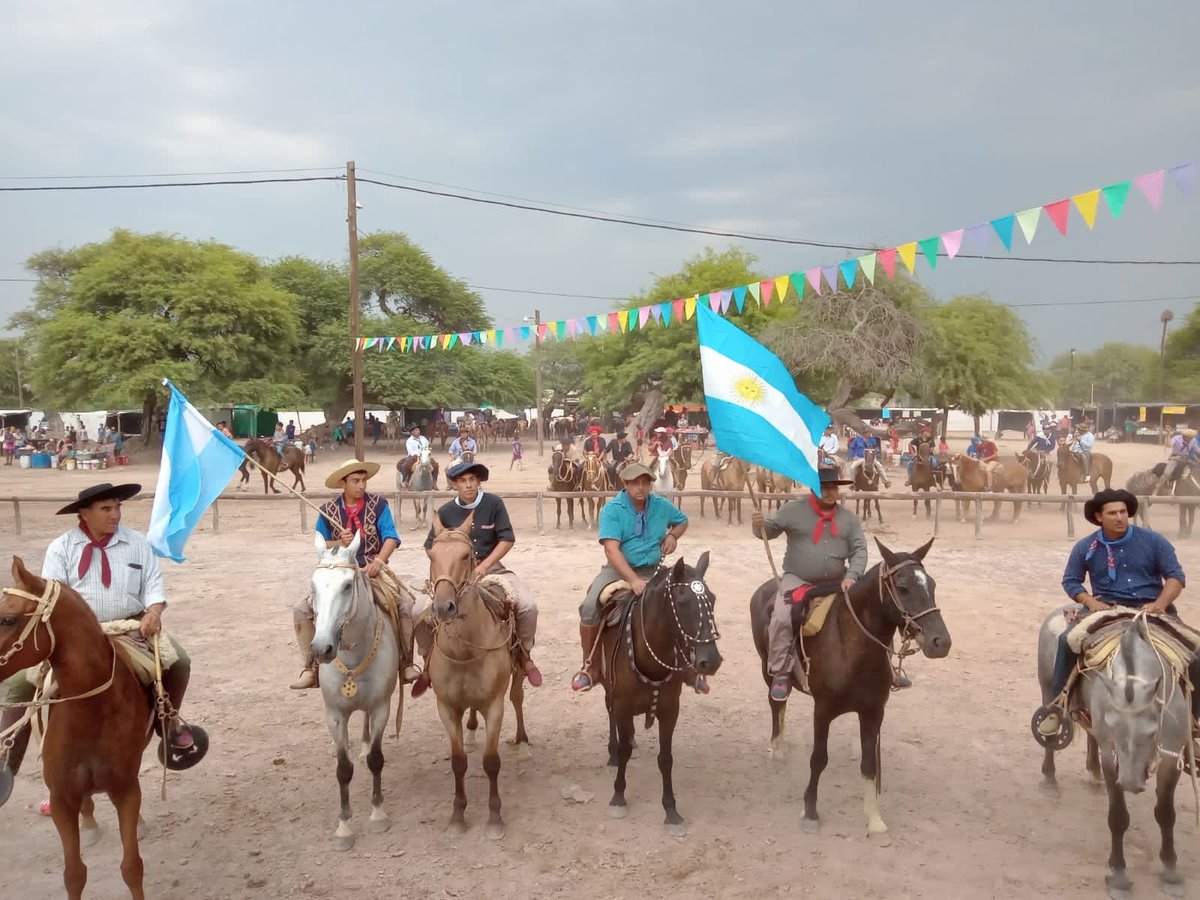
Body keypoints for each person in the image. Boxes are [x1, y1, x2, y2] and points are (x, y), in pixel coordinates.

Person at [0, 483, 205, 804]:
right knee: (20, 684)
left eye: (117, 507)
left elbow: (153, 584)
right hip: (75, 635)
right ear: (85, 513)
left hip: (130, 626)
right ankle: (6, 760)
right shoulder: (62, 548)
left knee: (179, 661)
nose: (115, 514)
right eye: (106, 509)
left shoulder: (138, 543)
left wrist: (154, 610)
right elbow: (51, 597)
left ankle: (168, 723)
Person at [1037, 489, 1200, 741]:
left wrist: (1160, 603)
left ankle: (1192, 721)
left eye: (1123, 512)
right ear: (1099, 517)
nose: (1120, 517)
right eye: (1113, 513)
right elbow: (1071, 581)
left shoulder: (1154, 541)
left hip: (1152, 611)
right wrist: (1090, 601)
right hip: (1107, 610)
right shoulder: (1086, 547)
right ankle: (1058, 706)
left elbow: (1175, 577)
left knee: (1197, 651)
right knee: (1067, 640)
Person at [413, 461, 541, 696]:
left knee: (527, 606)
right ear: (454, 484)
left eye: (472, 479)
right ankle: (427, 662)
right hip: (455, 576)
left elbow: (507, 539)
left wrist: (484, 566)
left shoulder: (494, 504)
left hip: (492, 570)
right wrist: (444, 571)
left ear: (479, 481)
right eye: (462, 481)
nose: (468, 484)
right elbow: (430, 547)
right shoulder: (445, 512)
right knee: (418, 613)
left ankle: (524, 655)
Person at [289, 459, 419, 689]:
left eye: (364, 480)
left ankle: (406, 662)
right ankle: (310, 667)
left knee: (406, 603)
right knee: (301, 609)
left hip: (372, 567)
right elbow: (320, 544)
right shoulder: (328, 510)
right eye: (355, 481)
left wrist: (379, 560)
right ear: (343, 483)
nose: (361, 486)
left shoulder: (379, 505)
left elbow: (391, 536)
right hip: (338, 570)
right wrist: (338, 542)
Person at [752, 468, 874, 700]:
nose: (830, 492)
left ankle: (884, 667)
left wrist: (853, 575)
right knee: (781, 615)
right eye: (824, 487)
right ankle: (780, 672)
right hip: (798, 579)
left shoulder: (849, 519)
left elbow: (860, 550)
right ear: (813, 488)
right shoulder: (793, 510)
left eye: (834, 487)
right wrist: (760, 525)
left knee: (869, 611)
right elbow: (769, 531)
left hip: (840, 579)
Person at [573, 463, 693, 692]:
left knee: (687, 598)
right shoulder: (612, 509)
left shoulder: (660, 505)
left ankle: (688, 663)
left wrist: (673, 535)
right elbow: (611, 550)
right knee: (589, 606)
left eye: (645, 482)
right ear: (625, 484)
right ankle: (591, 666)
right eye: (635, 483)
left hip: (654, 569)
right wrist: (633, 581)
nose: (640, 487)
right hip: (618, 570)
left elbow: (682, 520)